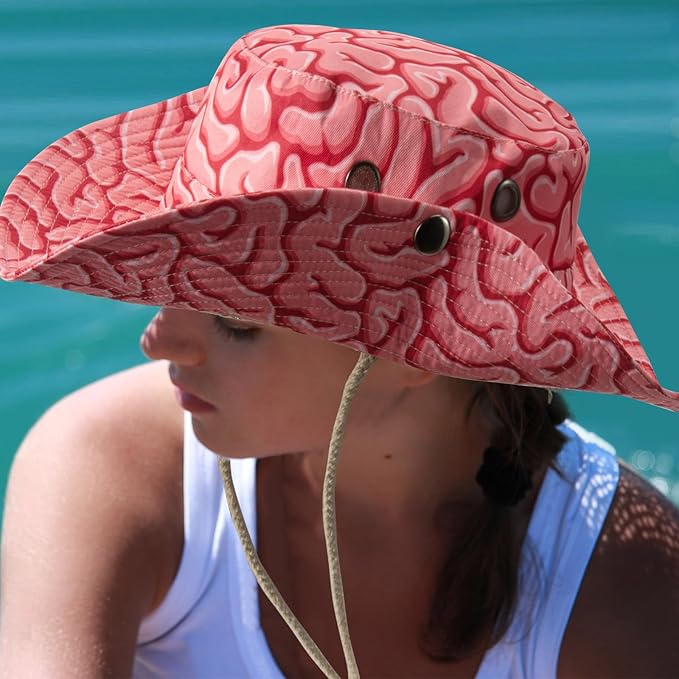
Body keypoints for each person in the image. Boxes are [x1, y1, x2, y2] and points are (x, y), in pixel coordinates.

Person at [0, 23, 678, 679]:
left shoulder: (625, 589)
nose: (157, 341)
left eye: (233, 321)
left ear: (416, 345)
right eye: (174, 287)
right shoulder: (106, 464)